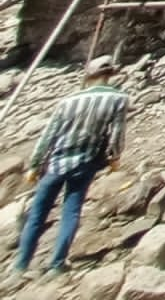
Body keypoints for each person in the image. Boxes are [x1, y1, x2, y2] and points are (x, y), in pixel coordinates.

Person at [15, 56, 127, 276]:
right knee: (71, 211)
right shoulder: (118, 98)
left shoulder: (68, 100)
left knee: (38, 213)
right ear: (109, 76)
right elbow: (116, 134)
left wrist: (34, 165)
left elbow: (48, 135)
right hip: (86, 162)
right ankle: (56, 264)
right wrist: (115, 157)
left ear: (89, 76)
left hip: (56, 162)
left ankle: (20, 264)